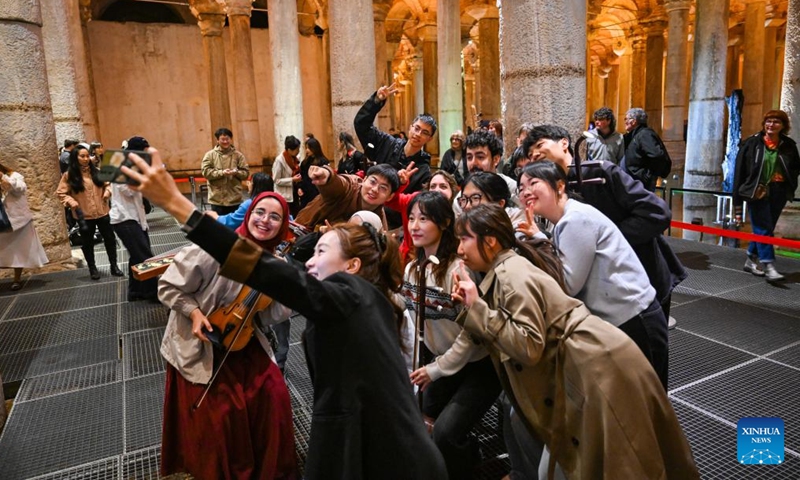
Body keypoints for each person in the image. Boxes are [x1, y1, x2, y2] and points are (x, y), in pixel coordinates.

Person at [122, 149, 447, 480]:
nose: (308, 261)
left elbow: (271, 275)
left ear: (351, 266)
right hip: (363, 445)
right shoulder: (366, 303)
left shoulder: (353, 297)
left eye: (321, 251)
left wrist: (179, 206)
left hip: (389, 459)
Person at [450, 204, 699, 479]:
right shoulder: (504, 271)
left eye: (464, 239)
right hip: (588, 363)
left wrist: (478, 309)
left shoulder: (511, 274)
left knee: (626, 461)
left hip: (596, 366)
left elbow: (528, 347)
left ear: (491, 240)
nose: (460, 249)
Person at [158, 191, 298, 479]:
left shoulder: (274, 263)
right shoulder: (218, 247)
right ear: (248, 214)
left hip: (242, 339)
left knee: (275, 394)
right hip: (200, 343)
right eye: (260, 212)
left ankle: (269, 470)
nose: (265, 220)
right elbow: (168, 287)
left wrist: (284, 289)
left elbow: (269, 317)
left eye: (275, 216)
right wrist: (195, 313)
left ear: (283, 225)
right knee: (222, 417)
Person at [518, 161, 669, 388]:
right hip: (624, 319)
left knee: (647, 404)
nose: (526, 191)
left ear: (560, 186)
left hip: (636, 320)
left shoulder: (575, 219)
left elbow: (568, 285)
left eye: (533, 182)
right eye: (521, 187)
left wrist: (539, 242)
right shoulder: (565, 220)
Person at [523, 124, 685, 322]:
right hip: (604, 294)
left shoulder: (600, 172)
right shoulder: (549, 191)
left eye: (539, 145)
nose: (535, 155)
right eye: (530, 154)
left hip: (642, 276)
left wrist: (608, 237)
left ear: (564, 143)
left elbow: (658, 212)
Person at [403, 192, 501, 479]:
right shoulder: (413, 268)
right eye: (411, 218)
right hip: (442, 362)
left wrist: (435, 369)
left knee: (446, 433)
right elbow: (408, 317)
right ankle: (462, 453)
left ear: (445, 222)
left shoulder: (458, 271)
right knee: (419, 421)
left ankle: (468, 461)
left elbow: (471, 335)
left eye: (424, 219)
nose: (414, 226)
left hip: (478, 365)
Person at [734, 109, 800, 282]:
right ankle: (769, 265)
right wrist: (737, 205)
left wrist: (789, 182)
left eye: (776, 122)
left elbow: (795, 167)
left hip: (779, 192)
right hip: (757, 192)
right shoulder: (752, 144)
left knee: (766, 228)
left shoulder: (788, 145)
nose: (771, 125)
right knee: (763, 228)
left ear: (783, 126)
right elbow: (739, 173)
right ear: (764, 124)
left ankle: (750, 260)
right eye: (768, 121)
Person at [57, 143, 123, 280]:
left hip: (103, 212)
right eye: (82, 156)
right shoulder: (69, 175)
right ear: (76, 158)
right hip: (84, 215)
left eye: (87, 156)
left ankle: (114, 265)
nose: (86, 159)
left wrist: (107, 192)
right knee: (87, 243)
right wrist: (72, 202)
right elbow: (61, 193)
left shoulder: (97, 171)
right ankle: (92, 268)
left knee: (110, 239)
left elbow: (109, 184)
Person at [354, 83, 436, 194]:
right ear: (410, 128)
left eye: (425, 133)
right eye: (416, 128)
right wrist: (376, 102)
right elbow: (361, 125)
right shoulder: (387, 143)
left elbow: (414, 201)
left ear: (429, 139)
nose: (418, 134)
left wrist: (402, 184)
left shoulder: (423, 169)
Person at [110, 136, 158, 302]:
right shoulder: (120, 165)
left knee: (136, 257)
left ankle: (135, 292)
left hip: (134, 218)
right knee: (145, 257)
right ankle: (153, 293)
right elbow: (128, 191)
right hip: (125, 219)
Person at [295, 163, 400, 231]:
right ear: (364, 180)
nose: (375, 189)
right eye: (372, 182)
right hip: (303, 232)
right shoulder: (351, 186)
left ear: (390, 197)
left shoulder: (378, 219)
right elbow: (338, 183)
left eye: (383, 188)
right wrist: (327, 175)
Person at [385, 168, 459, 264]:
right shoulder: (415, 201)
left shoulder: (458, 214)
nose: (437, 190)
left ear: (452, 192)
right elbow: (389, 199)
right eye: (433, 186)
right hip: (407, 261)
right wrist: (400, 184)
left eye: (443, 186)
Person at [0, 162, 49, 291]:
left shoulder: (14, 175)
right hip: (2, 222)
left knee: (19, 252)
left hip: (18, 221)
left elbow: (20, 189)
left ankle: (17, 279)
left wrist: (3, 179)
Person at [453, 130, 519, 214]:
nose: (473, 163)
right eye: (469, 158)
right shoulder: (460, 200)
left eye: (480, 157)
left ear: (496, 159)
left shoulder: (514, 190)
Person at [201, 127, 250, 215]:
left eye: (227, 139)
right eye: (222, 139)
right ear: (217, 140)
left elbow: (246, 173)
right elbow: (206, 172)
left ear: (231, 139)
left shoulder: (238, 155)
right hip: (217, 199)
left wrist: (236, 172)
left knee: (235, 226)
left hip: (235, 198)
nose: (225, 141)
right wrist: (222, 173)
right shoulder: (209, 155)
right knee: (219, 226)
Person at [623, 108, 671, 191]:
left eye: (626, 119)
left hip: (641, 182)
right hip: (635, 180)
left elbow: (657, 155)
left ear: (634, 121)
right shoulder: (635, 135)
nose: (625, 122)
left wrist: (647, 176)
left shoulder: (645, 134)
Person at [459, 172, 524, 232]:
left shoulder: (519, 227)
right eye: (464, 199)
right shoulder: (462, 230)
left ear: (500, 204)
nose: (467, 206)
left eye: (475, 198)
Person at [209, 172, 274, 230]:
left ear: (255, 186)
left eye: (250, 182)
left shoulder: (250, 204)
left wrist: (216, 217)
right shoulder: (275, 203)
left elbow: (230, 222)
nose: (248, 184)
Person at [273, 135, 302, 217]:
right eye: (297, 149)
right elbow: (276, 180)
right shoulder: (280, 160)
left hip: (294, 193)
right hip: (284, 195)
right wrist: (292, 179)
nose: (298, 151)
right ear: (289, 150)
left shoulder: (295, 158)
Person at [298, 137, 330, 209]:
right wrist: (299, 187)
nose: (307, 150)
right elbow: (302, 176)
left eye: (309, 148)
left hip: (317, 192)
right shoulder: (305, 162)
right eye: (306, 148)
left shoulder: (323, 161)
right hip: (306, 193)